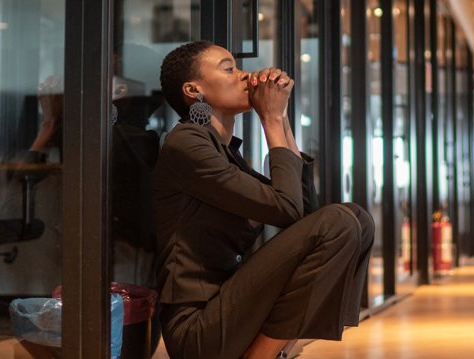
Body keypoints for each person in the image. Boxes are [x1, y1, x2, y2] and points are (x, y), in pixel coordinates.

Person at [153, 40, 375, 358]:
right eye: (229, 69)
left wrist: (280, 117)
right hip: (197, 328)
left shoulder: (223, 152)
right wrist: (269, 120)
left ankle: (278, 350)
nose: (245, 76)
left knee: (357, 219)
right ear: (193, 89)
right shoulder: (186, 144)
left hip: (232, 310)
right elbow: (287, 208)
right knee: (339, 221)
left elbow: (302, 215)